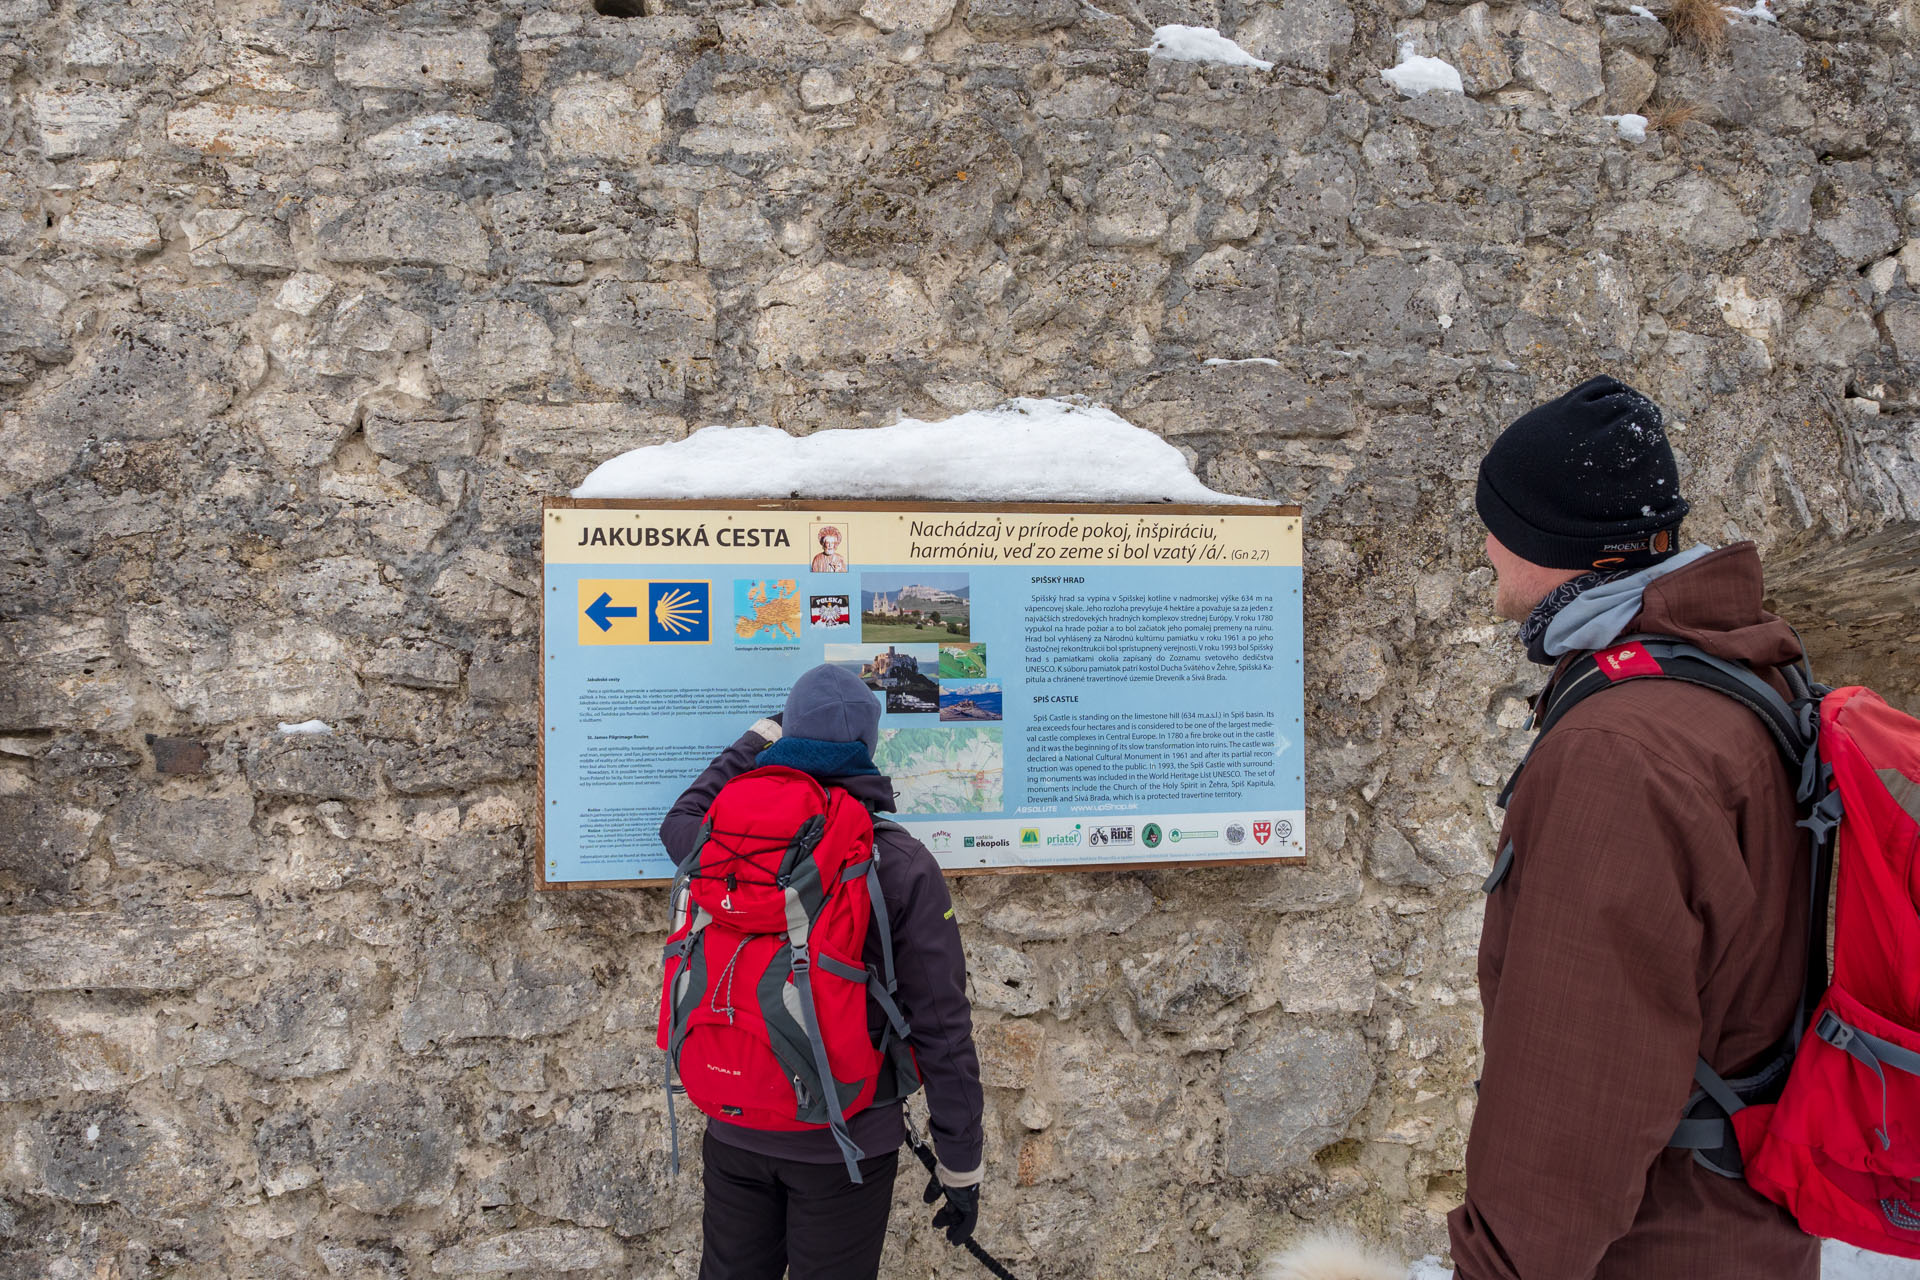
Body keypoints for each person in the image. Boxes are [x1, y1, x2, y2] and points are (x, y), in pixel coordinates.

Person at [1446, 376, 1818, 1277]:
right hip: (1746, 1222)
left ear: (1548, 538)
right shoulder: (1740, 671)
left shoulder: (1619, 752)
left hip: (1656, 1243)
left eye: (1499, 519)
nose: (1487, 543)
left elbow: (1577, 1094)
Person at [660, 663, 985, 1280]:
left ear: (791, 738)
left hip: (735, 1123)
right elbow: (943, 1028)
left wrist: (759, 737)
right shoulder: (899, 863)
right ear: (867, 747)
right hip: (847, 1143)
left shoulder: (719, 843)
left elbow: (681, 813)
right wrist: (960, 1165)